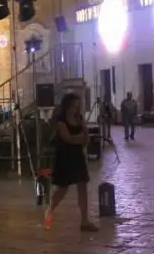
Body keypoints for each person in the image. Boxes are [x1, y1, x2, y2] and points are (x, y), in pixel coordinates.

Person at [43, 93, 98, 232]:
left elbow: (86, 137)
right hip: (64, 156)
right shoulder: (61, 120)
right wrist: (79, 138)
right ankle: (50, 209)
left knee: (82, 186)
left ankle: (85, 221)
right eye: (74, 105)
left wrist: (80, 138)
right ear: (68, 105)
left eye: (78, 105)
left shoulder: (79, 118)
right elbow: (67, 138)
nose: (76, 108)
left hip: (77, 156)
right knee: (62, 188)